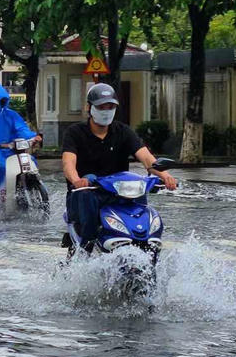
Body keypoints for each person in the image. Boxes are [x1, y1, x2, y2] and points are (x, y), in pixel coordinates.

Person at [62, 82, 178, 248]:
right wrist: (77, 180)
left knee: (144, 209)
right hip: (87, 192)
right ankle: (86, 249)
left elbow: (146, 157)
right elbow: (68, 163)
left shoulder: (123, 131)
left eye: (110, 107)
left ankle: (148, 248)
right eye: (101, 107)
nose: (106, 111)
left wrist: (165, 176)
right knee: (87, 200)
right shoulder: (75, 132)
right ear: (89, 107)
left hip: (121, 192)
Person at [0, 82, 42, 200]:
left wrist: (32, 136)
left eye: (4, 99)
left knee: (30, 161)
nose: (2, 102)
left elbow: (21, 128)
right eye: (0, 99)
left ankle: (27, 187)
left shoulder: (11, 114)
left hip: (11, 149)